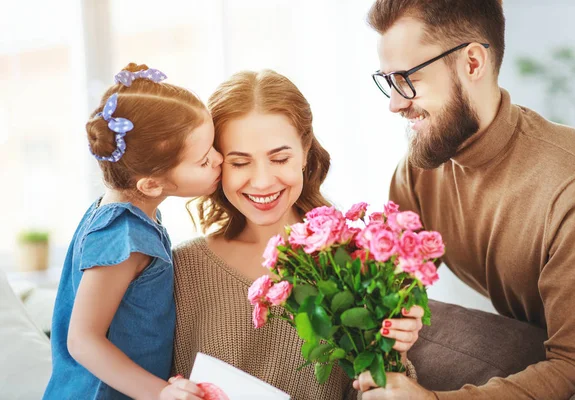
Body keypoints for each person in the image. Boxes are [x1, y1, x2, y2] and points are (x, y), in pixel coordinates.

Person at [354, 0, 575, 399]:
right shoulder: (418, 171)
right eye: (388, 80)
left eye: (407, 78)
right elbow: (390, 292)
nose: (395, 103)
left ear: (471, 63)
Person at [172, 69, 421, 399]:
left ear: (305, 151)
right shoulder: (181, 268)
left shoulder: (357, 265)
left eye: (279, 158)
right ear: (216, 162)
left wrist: (395, 352)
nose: (261, 181)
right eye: (240, 162)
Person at [43, 63, 222, 400]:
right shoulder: (123, 234)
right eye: (203, 159)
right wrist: (160, 394)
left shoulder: (121, 215)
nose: (219, 159)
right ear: (151, 184)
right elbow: (83, 340)